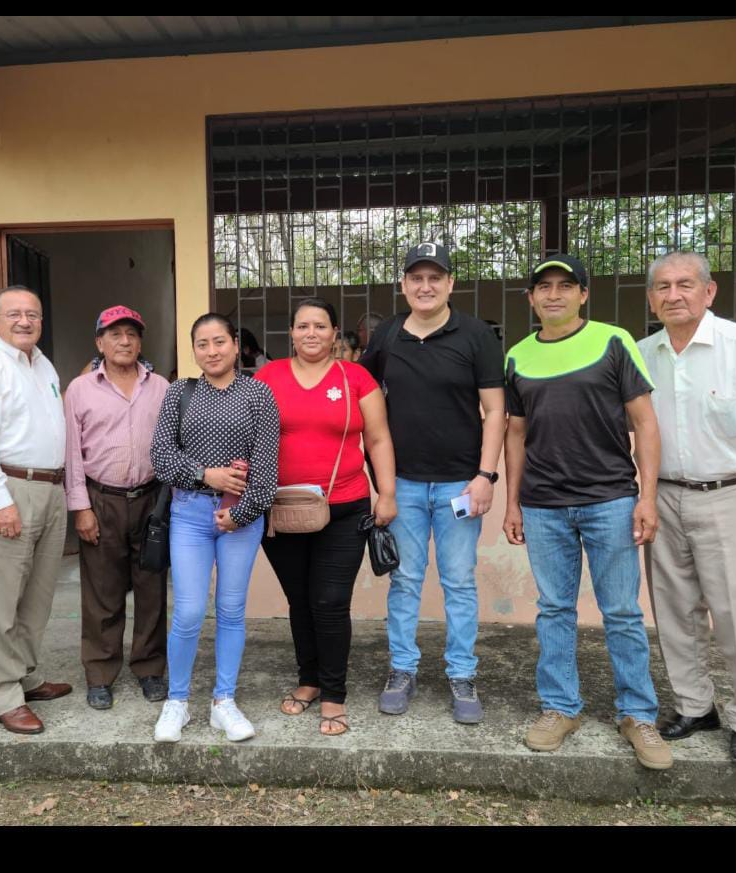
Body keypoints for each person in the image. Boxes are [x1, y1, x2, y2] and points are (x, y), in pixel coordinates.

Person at [503, 253, 672, 771]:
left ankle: (637, 714)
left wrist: (647, 496)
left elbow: (645, 422)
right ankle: (560, 707)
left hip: (610, 500)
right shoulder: (517, 356)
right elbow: (515, 433)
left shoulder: (612, 341)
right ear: (531, 298)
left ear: (582, 294)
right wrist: (512, 501)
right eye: (544, 287)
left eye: (565, 285)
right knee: (554, 609)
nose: (553, 294)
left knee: (621, 611)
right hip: (544, 505)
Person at [638, 251, 736, 766]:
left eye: (685, 284)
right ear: (651, 298)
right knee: (674, 610)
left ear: (709, 291)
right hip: (664, 493)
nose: (674, 295)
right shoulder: (642, 354)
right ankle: (695, 707)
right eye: (663, 287)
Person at [359, 242, 505, 724]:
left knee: (459, 582)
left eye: (435, 278)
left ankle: (462, 674)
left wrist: (485, 476)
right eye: (416, 278)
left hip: (459, 486)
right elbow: (363, 397)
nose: (425, 287)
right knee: (404, 581)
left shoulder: (476, 335)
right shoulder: (387, 335)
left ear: (450, 283)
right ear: (403, 285)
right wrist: (381, 485)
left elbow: (495, 411)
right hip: (402, 483)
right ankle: (402, 669)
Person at [256, 297, 396, 735]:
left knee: (330, 602)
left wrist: (387, 493)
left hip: (345, 507)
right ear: (291, 333)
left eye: (320, 326)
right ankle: (309, 679)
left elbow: (378, 439)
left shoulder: (356, 378)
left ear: (335, 333)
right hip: (283, 509)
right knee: (300, 601)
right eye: (303, 326)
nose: (311, 333)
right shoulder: (268, 377)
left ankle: (334, 693)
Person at [149, 313, 279, 743]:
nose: (212, 351)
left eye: (219, 341)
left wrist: (242, 513)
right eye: (202, 344)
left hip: (242, 519)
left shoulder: (259, 395)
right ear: (194, 350)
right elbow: (161, 456)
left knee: (230, 610)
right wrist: (206, 474)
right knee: (188, 611)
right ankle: (177, 701)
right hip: (189, 514)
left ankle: (224, 701)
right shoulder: (179, 393)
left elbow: (266, 467)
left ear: (236, 344)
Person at [0, 285, 72, 735]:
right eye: (14, 314)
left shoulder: (42, 364)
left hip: (50, 488)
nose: (25, 321)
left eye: (33, 314)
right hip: (8, 489)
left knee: (37, 595)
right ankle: (3, 694)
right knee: (3, 599)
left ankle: (26, 674)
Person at [64, 305, 170, 710]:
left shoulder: (161, 387)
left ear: (140, 342)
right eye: (114, 334)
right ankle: (100, 673)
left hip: (151, 499)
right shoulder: (80, 389)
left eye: (131, 334)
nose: (124, 341)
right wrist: (80, 508)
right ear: (99, 342)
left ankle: (149, 668)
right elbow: (73, 454)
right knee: (101, 593)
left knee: (151, 590)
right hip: (101, 500)